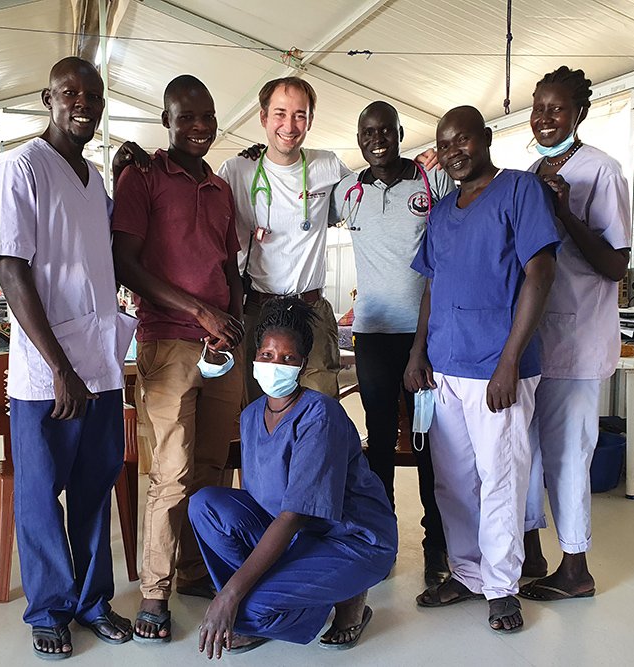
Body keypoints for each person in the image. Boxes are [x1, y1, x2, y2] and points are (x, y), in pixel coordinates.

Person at [0, 56, 133, 660]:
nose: (83, 104)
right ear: (46, 98)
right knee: (41, 494)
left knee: (96, 488)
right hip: (48, 378)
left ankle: (94, 600)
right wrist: (60, 369)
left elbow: (96, 264)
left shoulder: (96, 178)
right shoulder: (21, 167)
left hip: (100, 365)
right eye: (70, 94)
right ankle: (48, 608)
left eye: (93, 96)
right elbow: (13, 273)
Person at [405, 106, 559, 632]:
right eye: (444, 145)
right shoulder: (443, 211)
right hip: (445, 369)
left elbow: (541, 272)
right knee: (452, 481)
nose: (453, 152)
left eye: (462, 140)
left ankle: (501, 587)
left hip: (499, 370)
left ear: (486, 139)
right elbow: (431, 287)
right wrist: (417, 353)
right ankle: (468, 573)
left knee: (501, 481)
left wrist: (509, 360)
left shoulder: (520, 191)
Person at [112, 74, 245, 643]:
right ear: (166, 121)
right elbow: (127, 264)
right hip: (167, 343)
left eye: (207, 117)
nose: (199, 127)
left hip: (221, 346)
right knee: (171, 473)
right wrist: (199, 313)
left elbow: (230, 268)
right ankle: (154, 591)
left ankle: (195, 570)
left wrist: (230, 325)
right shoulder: (141, 178)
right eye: (186, 117)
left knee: (212, 469)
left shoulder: (219, 189)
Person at [189, 296, 397, 658]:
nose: (275, 365)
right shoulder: (253, 415)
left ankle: (347, 598)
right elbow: (260, 500)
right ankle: (276, 597)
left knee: (246, 609)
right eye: (268, 355)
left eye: (288, 358)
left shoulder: (320, 415)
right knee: (205, 504)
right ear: (255, 357)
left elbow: (294, 513)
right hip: (301, 538)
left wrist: (231, 593)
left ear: (302, 365)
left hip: (351, 540)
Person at [520, 66, 631, 600]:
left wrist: (565, 211)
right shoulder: (530, 171)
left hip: (579, 340)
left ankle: (576, 567)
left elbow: (615, 266)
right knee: (526, 453)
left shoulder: (601, 172)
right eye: (539, 108)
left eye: (556, 109)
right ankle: (531, 551)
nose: (544, 118)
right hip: (535, 341)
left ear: (579, 113)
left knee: (567, 456)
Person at [332, 101, 454, 587]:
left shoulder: (432, 183)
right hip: (374, 339)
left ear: (400, 132)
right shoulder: (349, 191)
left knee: (429, 444)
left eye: (385, 130)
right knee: (378, 443)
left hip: (427, 337)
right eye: (367, 133)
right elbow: (293, 205)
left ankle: (436, 546)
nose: (377, 139)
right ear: (359, 139)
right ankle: (379, 541)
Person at [217, 77, 353, 401]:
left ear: (310, 120)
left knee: (321, 411)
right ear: (263, 118)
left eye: (299, 115)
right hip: (258, 310)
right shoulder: (236, 171)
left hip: (312, 311)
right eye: (279, 114)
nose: (289, 126)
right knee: (263, 408)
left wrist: (415, 168)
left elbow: (372, 192)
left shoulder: (329, 166)